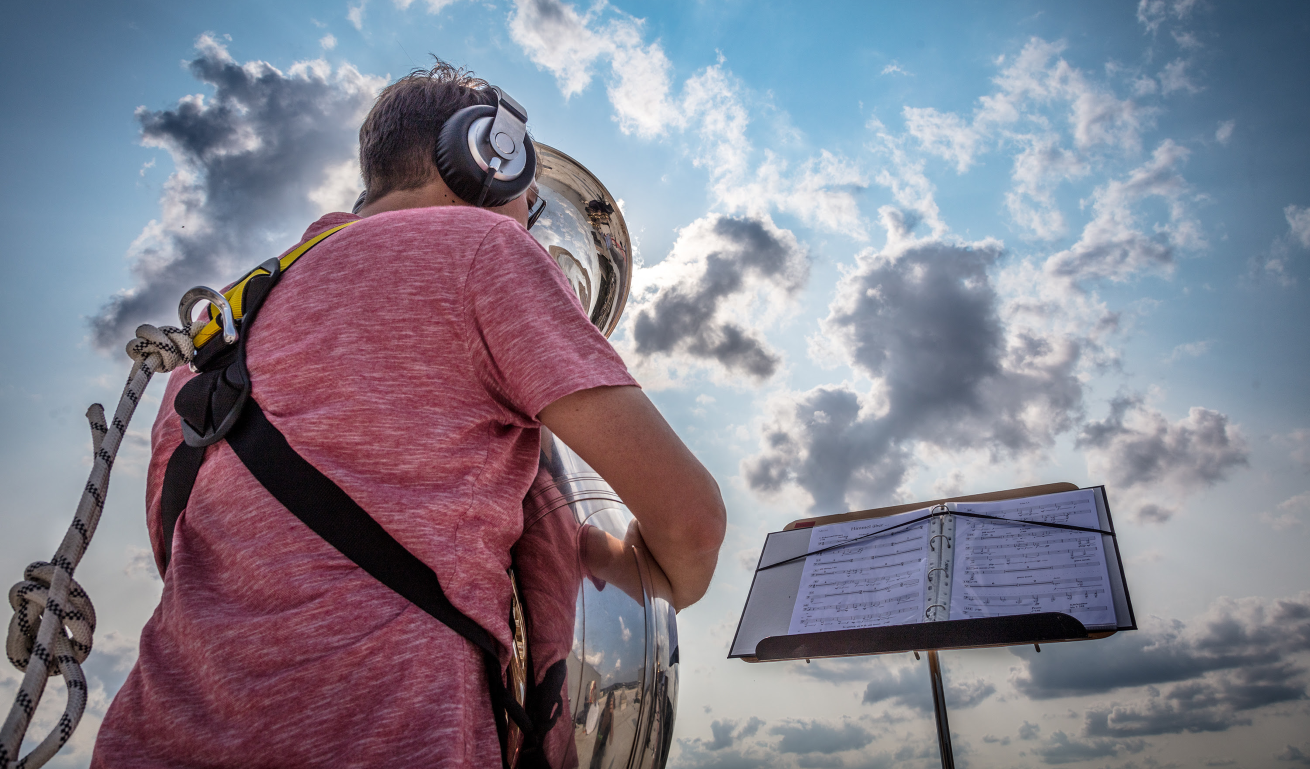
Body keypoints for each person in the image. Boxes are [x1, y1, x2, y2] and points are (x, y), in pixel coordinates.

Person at [91, 60, 726, 767]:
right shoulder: (484, 249)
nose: (530, 221)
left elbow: (190, 559)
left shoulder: (213, 336)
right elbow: (691, 522)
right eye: (532, 201)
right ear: (492, 160)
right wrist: (658, 581)